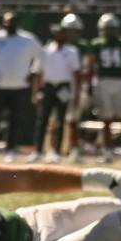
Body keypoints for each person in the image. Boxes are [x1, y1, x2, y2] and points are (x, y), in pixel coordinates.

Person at [0, 11, 41, 155]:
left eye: (13, 23)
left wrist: (33, 71)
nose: (10, 26)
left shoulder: (27, 40)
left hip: (19, 86)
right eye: (7, 23)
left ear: (18, 24)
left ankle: (11, 148)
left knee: (15, 119)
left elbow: (41, 55)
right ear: (3, 24)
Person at [86, 13, 121, 155]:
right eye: (107, 28)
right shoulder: (97, 44)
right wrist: (90, 83)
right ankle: (107, 150)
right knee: (106, 119)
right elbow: (91, 65)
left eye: (111, 28)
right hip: (103, 81)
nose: (109, 31)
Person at [36, 15, 83, 159]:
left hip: (64, 87)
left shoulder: (72, 51)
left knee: (62, 120)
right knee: (43, 120)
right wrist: (37, 91)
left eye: (62, 33)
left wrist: (76, 93)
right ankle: (38, 150)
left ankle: (57, 151)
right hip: (49, 87)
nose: (60, 35)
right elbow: (39, 72)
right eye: (58, 33)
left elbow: (76, 74)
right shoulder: (45, 50)